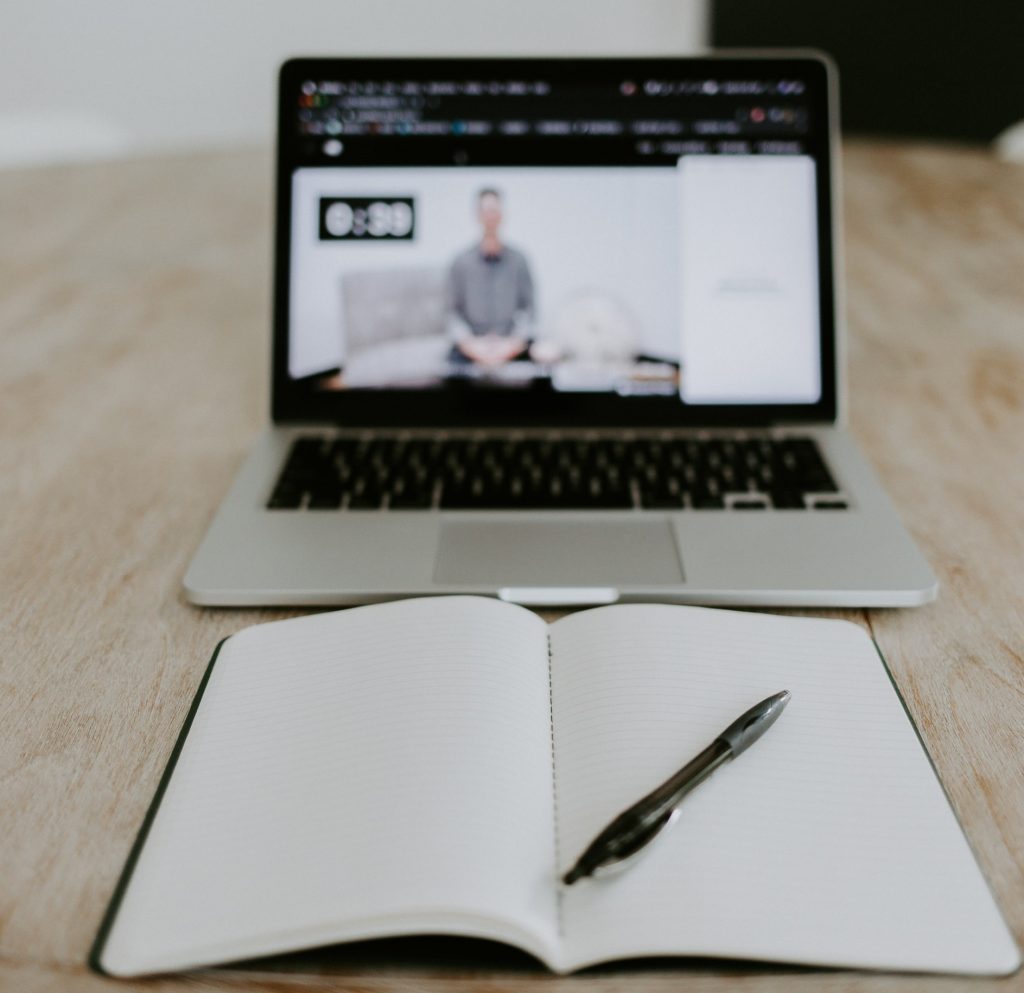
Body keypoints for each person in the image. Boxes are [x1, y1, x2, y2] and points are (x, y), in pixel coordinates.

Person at [446, 188, 535, 368]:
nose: (490, 216)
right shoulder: (461, 262)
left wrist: (513, 343)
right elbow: (452, 313)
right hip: (473, 344)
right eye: (486, 210)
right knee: (451, 365)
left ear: (502, 214)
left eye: (494, 210)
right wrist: (471, 345)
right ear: (477, 215)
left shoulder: (519, 260)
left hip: (510, 343)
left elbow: (529, 311)